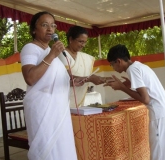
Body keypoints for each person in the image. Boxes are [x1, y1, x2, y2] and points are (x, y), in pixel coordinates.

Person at [20, 11, 83, 160]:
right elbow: (30, 78)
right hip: (42, 110)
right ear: (34, 29)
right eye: (44, 25)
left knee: (62, 149)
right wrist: (52, 55)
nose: (50, 29)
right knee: (48, 152)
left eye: (53, 26)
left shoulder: (50, 50)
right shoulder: (30, 48)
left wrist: (71, 81)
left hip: (58, 110)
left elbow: (51, 78)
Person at [104, 44, 165, 160]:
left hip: (161, 115)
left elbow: (145, 99)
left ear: (118, 61)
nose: (113, 68)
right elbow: (146, 90)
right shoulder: (140, 66)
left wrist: (122, 87)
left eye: (112, 64)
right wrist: (129, 86)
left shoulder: (132, 69)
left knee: (160, 154)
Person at [58, 26, 112, 108]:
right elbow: (66, 77)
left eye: (85, 42)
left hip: (78, 102)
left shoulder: (84, 57)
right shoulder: (62, 54)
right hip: (63, 100)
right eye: (80, 41)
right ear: (71, 39)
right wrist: (91, 78)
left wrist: (102, 79)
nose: (83, 45)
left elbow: (87, 76)